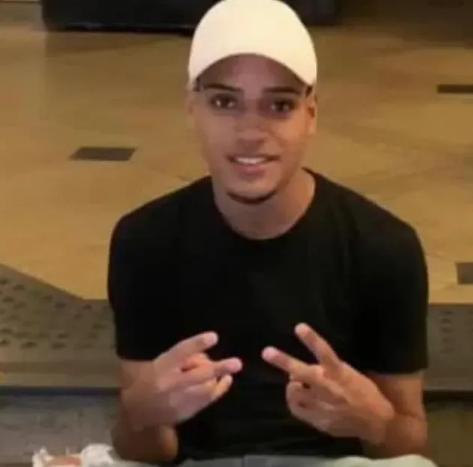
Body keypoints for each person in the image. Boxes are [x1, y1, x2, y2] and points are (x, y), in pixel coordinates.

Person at [106, 1, 435, 466]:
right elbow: (147, 452)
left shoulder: (382, 247)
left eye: (279, 106)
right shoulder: (144, 241)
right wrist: (140, 415)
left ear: (310, 115)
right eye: (225, 102)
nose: (250, 131)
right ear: (191, 108)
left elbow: (406, 443)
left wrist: (375, 422)